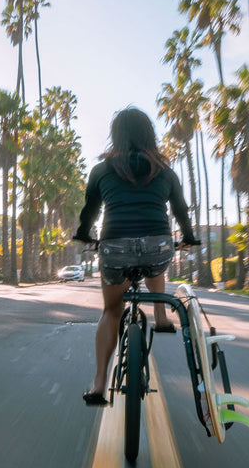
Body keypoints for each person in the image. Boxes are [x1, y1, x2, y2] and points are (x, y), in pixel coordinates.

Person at [73, 107, 199, 406]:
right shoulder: (165, 170)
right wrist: (189, 238)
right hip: (159, 246)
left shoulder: (101, 170)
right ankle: (159, 314)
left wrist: (84, 234)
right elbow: (180, 210)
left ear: (115, 135)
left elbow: (90, 211)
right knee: (155, 252)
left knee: (111, 310)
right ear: (149, 135)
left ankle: (99, 383)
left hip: (115, 248)